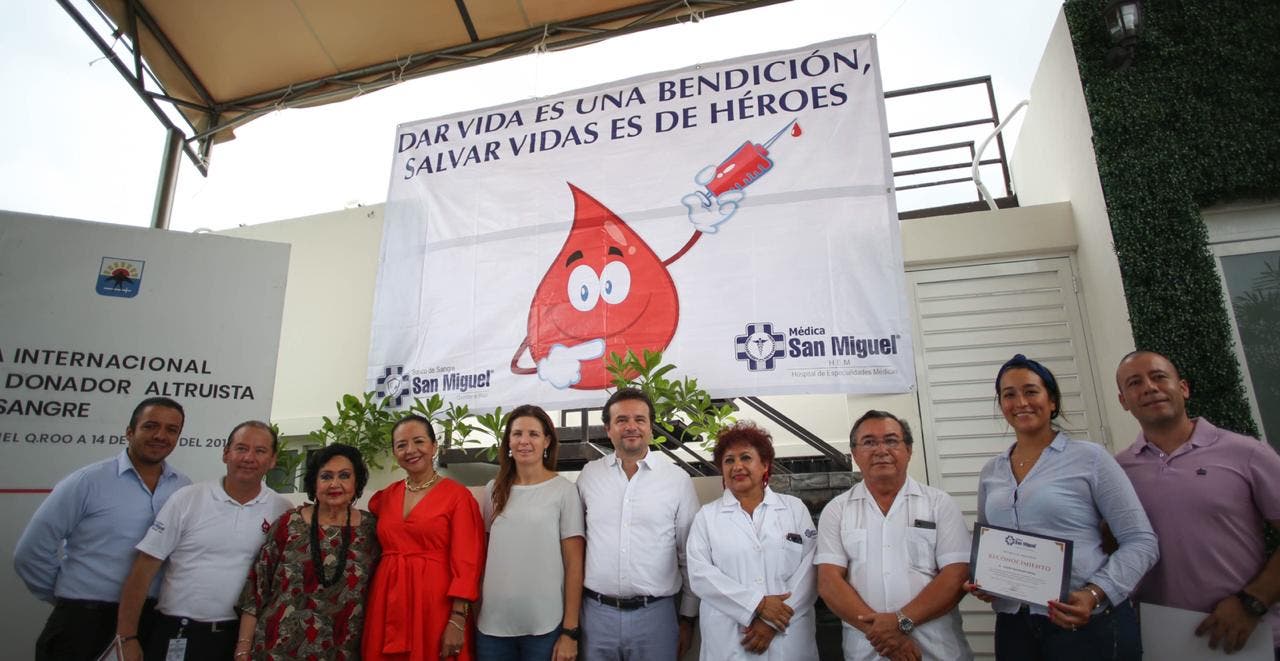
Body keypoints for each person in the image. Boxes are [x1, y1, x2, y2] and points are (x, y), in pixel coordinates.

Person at [970, 353, 1157, 660]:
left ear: (1052, 401)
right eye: (1009, 395)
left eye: (1031, 391)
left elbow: (1142, 542)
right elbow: (989, 543)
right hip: (1015, 624)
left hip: (1085, 621)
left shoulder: (1090, 458)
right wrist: (985, 579)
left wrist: (1095, 593)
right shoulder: (992, 471)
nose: (1021, 402)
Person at [1114, 350, 1280, 655]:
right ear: (1124, 401)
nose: (1149, 387)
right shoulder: (1116, 471)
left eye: (1159, 377)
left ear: (1184, 388)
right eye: (1134, 383)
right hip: (1163, 641)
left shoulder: (1247, 453)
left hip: (1249, 636)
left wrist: (1253, 601)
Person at [14, 397, 192, 661]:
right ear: (130, 431)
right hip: (83, 623)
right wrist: (68, 598)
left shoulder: (182, 487)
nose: (160, 436)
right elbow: (30, 553)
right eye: (150, 426)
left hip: (149, 621)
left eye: (171, 430)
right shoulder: (87, 482)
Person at [115, 420, 292, 661]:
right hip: (179, 632)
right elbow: (143, 569)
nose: (249, 457)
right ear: (225, 453)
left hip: (242, 639)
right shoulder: (187, 499)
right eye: (241, 448)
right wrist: (126, 637)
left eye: (260, 451)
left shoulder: (282, 510)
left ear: (272, 460)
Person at [817, 410, 972, 661]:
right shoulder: (837, 509)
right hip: (867, 652)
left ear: (908, 450)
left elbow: (956, 575)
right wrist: (885, 636)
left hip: (936, 651)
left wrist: (901, 622)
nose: (881, 450)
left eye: (891, 440)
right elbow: (829, 583)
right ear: (855, 454)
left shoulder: (939, 504)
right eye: (869, 442)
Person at [576, 387, 701, 660]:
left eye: (639, 419)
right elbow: (576, 547)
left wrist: (688, 618)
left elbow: (689, 554)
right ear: (608, 428)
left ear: (651, 427)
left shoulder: (677, 480)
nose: (631, 426)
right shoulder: (589, 476)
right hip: (596, 618)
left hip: (656, 618)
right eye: (621, 420)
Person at [235, 443, 380, 660]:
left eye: (344, 475)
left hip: (342, 651)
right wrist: (243, 646)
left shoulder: (371, 530)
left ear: (356, 481)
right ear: (314, 482)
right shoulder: (289, 523)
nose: (335, 483)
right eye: (326, 476)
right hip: (277, 649)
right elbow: (257, 588)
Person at [687, 421, 819, 660]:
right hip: (730, 640)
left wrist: (772, 622)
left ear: (765, 465)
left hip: (788, 636)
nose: (737, 466)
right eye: (729, 460)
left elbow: (811, 569)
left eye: (746, 458)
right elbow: (700, 576)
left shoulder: (793, 509)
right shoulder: (706, 517)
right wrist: (756, 604)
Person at [363, 414, 484, 661]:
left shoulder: (457, 497)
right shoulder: (385, 497)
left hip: (435, 603)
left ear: (434, 446)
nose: (411, 450)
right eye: (401, 445)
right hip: (388, 599)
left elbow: (468, 562)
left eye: (418, 441)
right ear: (395, 452)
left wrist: (458, 619)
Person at [476, 405, 585, 661]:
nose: (524, 441)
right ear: (508, 442)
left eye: (533, 434)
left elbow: (574, 564)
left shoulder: (564, 491)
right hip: (492, 627)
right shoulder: (493, 490)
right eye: (517, 434)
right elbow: (484, 557)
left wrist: (570, 631)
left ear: (547, 441)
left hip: (545, 627)